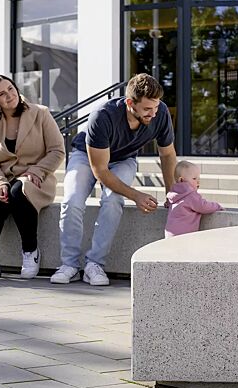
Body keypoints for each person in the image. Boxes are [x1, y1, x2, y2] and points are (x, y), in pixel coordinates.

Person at [51, 73, 177, 286]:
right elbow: (100, 170)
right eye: (147, 109)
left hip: (123, 159)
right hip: (87, 156)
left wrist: (171, 194)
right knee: (72, 201)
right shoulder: (103, 115)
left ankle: (94, 265)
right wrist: (136, 195)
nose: (153, 113)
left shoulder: (160, 113)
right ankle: (69, 265)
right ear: (130, 103)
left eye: (155, 107)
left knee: (113, 200)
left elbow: (167, 155)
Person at [0, 75, 65, 279]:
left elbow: (57, 151)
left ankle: (31, 252)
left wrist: (37, 170)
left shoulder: (40, 113)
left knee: (18, 193)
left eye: (11, 89)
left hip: (36, 178)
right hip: (3, 176)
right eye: (2, 94)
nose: (9, 96)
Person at [164, 161, 223, 238]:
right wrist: (217, 206)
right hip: (183, 234)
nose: (198, 181)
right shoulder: (190, 195)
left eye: (198, 178)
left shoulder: (174, 193)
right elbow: (203, 206)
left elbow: (170, 203)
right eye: (194, 178)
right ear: (181, 180)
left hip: (170, 233)